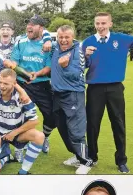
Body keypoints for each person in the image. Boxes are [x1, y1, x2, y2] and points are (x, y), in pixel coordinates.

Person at [82, 12, 133, 173]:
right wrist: (85, 55)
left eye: (104, 23)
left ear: (110, 24)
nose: (100, 26)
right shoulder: (88, 42)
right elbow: (83, 65)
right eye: (98, 23)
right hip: (95, 89)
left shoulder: (121, 39)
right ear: (94, 24)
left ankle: (121, 161)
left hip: (115, 88)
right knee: (92, 125)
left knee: (118, 124)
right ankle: (92, 157)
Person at [3, 14, 55, 161]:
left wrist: (36, 74)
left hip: (42, 84)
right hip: (22, 84)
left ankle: (44, 137)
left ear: (41, 28)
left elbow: (48, 67)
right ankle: (20, 147)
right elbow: (15, 61)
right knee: (20, 117)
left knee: (52, 117)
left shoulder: (47, 45)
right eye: (28, 24)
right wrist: (11, 64)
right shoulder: (20, 41)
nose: (29, 26)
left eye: (33, 24)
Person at [51, 25, 93, 174]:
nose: (63, 40)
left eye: (66, 37)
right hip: (57, 94)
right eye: (60, 37)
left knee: (76, 129)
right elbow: (45, 37)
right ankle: (77, 155)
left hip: (73, 94)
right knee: (62, 127)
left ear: (72, 36)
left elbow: (77, 74)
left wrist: (64, 66)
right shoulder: (55, 47)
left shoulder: (78, 51)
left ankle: (86, 161)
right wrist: (47, 42)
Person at [0, 68, 45, 174]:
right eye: (0, 82)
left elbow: (34, 121)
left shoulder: (22, 98)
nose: (2, 86)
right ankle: (5, 157)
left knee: (39, 136)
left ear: (14, 83)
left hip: (15, 133)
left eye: (6, 84)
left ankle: (23, 172)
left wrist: (14, 133)